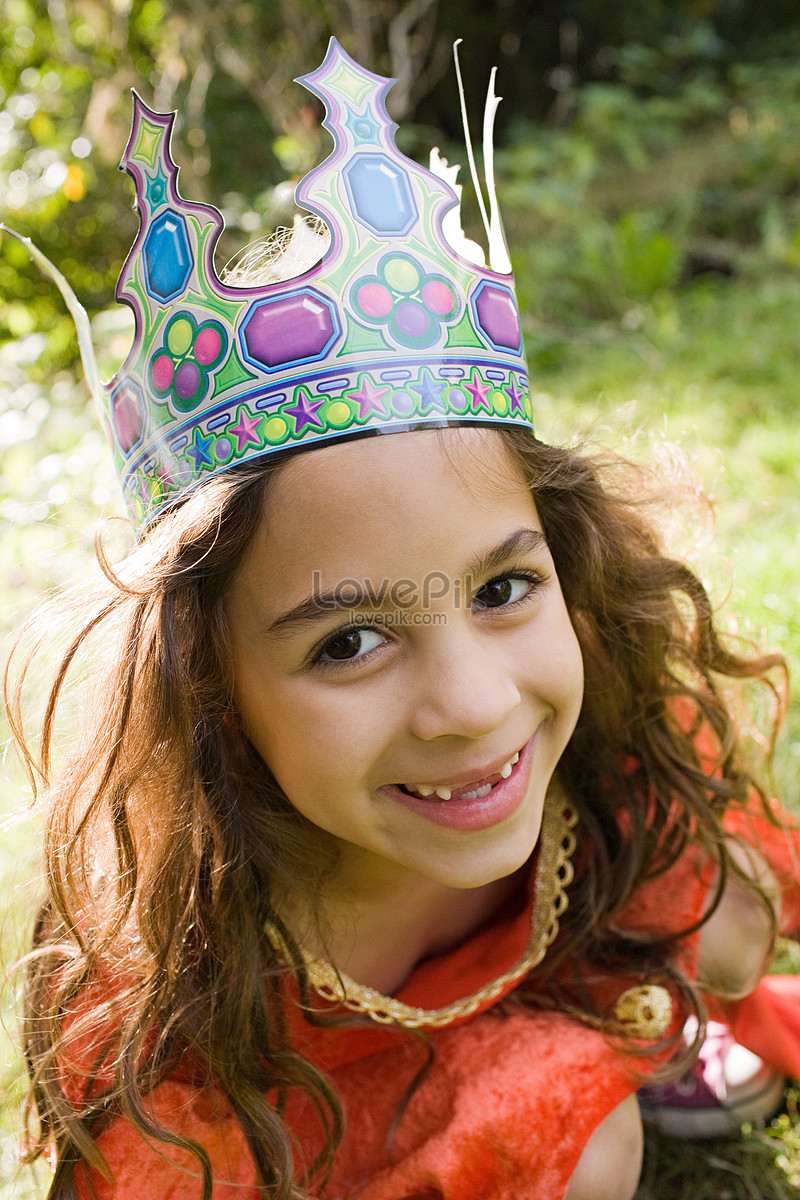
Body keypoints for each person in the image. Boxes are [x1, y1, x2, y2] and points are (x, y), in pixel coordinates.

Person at [8, 37, 800, 1200]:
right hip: (315, 1082)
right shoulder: (194, 966)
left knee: (725, 924)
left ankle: (637, 1031)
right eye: (348, 642)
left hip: (561, 968)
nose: (477, 705)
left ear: (568, 569)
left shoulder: (602, 755)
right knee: (575, 1152)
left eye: (502, 589)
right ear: (208, 684)